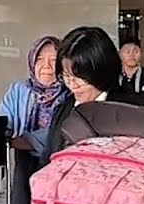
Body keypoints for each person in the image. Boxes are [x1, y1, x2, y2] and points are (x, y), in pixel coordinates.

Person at [0, 35, 65, 204]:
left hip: (58, 168)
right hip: (25, 166)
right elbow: (2, 122)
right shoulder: (19, 90)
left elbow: (62, 133)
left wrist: (24, 140)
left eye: (53, 60)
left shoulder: (70, 95)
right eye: (40, 60)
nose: (46, 66)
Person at [43, 26, 123, 164]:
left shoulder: (127, 110)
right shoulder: (64, 108)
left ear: (102, 70)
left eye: (80, 77)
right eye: (66, 76)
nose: (73, 85)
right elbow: (47, 159)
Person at [116, 37, 144, 107]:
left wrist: (121, 97)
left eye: (136, 51)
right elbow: (110, 98)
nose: (132, 55)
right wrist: (137, 97)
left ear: (141, 54)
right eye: (128, 52)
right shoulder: (114, 74)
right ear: (119, 54)